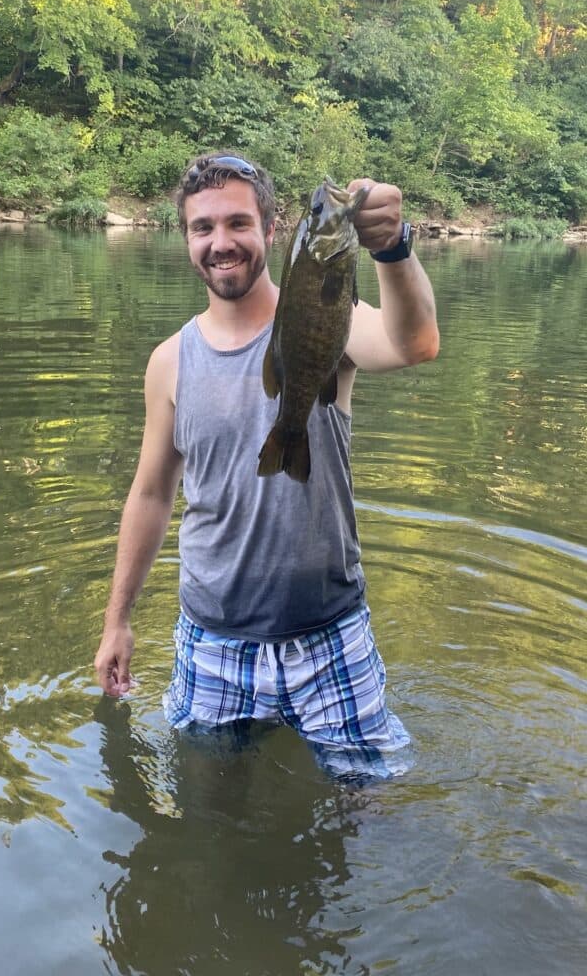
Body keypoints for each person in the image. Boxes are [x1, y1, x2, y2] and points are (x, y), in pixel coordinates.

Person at [94, 152, 439, 779]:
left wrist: (394, 249)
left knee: (366, 812)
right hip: (214, 640)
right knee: (208, 812)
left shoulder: (329, 317)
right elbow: (149, 495)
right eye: (204, 228)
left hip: (330, 631)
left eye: (237, 224)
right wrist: (117, 623)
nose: (220, 243)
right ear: (187, 239)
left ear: (272, 231)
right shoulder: (168, 362)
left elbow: (416, 344)